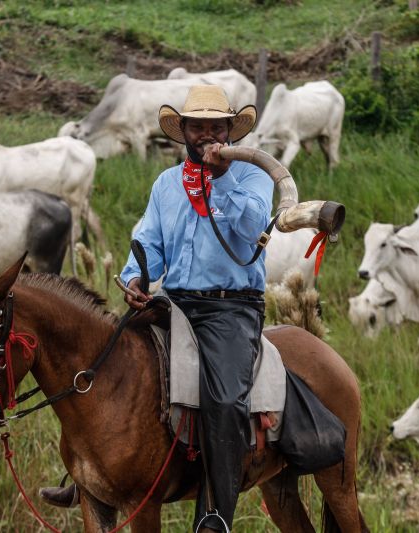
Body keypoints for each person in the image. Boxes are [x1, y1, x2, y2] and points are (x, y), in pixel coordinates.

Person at [42, 85, 274, 532]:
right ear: (183, 131)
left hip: (230, 307)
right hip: (174, 302)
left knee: (224, 398)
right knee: (105, 363)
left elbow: (250, 231)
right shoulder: (167, 184)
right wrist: (134, 278)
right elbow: (148, 241)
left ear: (230, 130)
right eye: (198, 127)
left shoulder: (252, 177)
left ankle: (215, 514)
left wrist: (222, 178)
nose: (207, 135)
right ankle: (88, 470)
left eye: (216, 127)